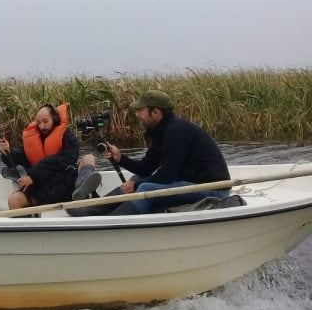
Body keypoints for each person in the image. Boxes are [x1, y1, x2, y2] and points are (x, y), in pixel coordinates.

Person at [68, 90, 230, 216]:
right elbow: (146, 168)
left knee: (144, 186)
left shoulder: (177, 131)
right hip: (190, 182)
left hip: (214, 188)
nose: (137, 115)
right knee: (139, 179)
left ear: (155, 112)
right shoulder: (160, 131)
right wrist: (120, 158)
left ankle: (110, 222)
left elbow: (167, 175)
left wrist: (136, 186)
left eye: (140, 110)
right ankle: (94, 210)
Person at [0, 103, 80, 211]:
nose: (42, 126)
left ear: (55, 119)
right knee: (14, 200)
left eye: (45, 121)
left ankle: (82, 191)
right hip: (40, 191)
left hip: (64, 188)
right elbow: (18, 158)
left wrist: (33, 176)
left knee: (88, 158)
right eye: (39, 123)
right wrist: (7, 152)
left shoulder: (69, 139)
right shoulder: (34, 139)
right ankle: (28, 226)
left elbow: (60, 161)